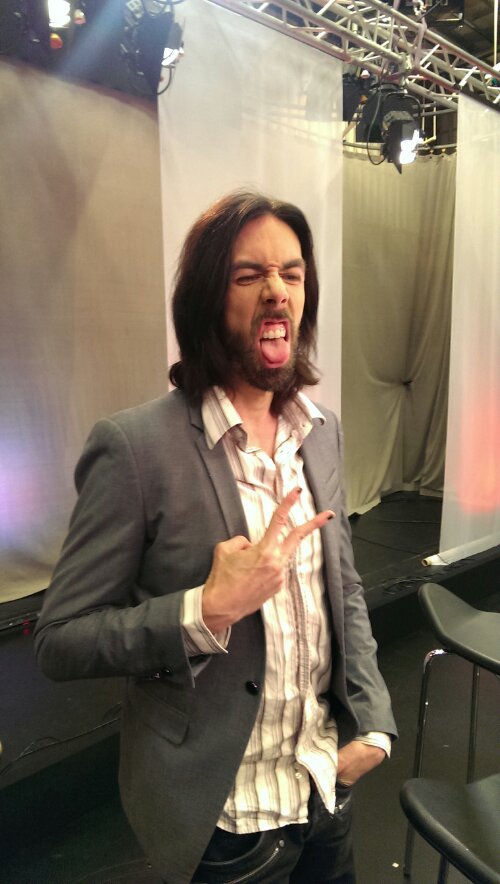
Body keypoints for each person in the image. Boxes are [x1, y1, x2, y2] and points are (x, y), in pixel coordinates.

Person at [35, 191, 397, 884]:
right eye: (248, 275)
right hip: (225, 823)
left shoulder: (322, 433)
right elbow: (60, 640)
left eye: (292, 274)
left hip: (327, 787)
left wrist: (374, 724)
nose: (277, 291)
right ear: (207, 300)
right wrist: (203, 611)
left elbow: (343, 588)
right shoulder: (136, 448)